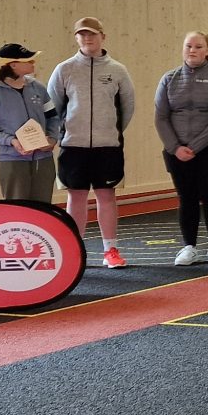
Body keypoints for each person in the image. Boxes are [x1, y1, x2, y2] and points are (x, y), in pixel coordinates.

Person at [48, 17, 136, 269]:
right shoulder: (64, 69)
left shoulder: (118, 70)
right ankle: (75, 250)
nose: (87, 39)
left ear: (102, 37)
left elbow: (127, 107)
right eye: (82, 35)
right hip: (72, 146)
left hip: (107, 146)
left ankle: (110, 250)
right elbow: (53, 108)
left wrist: (109, 131)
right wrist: (63, 134)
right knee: (76, 197)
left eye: (92, 34)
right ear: (76, 38)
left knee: (106, 195)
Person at [154, 31, 208, 266]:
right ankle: (189, 247)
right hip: (178, 152)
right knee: (187, 198)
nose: (193, 50)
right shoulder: (169, 78)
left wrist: (195, 146)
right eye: (188, 46)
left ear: (207, 50)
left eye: (198, 46)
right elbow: (161, 117)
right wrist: (175, 147)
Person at [0, 42, 61, 203]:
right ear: (13, 64)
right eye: (28, 60)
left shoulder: (38, 88)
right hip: (12, 161)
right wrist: (11, 141)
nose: (33, 62)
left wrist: (52, 138)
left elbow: (53, 118)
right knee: (18, 208)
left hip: (43, 160)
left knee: (43, 208)